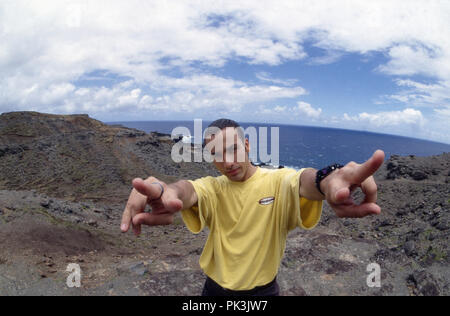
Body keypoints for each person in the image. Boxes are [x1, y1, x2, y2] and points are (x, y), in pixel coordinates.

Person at [120, 119, 385, 296]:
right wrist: (168, 190)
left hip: (262, 292)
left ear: (247, 146)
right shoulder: (213, 188)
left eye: (233, 149)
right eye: (216, 154)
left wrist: (328, 177)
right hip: (213, 289)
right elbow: (187, 190)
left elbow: (304, 181)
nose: (227, 162)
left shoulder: (277, 181)